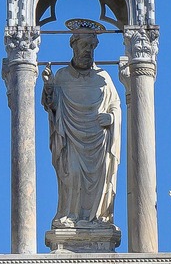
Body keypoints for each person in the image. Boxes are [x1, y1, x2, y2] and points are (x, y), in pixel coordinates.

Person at [43, 21, 122, 226]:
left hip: (98, 141)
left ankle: (97, 218)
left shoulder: (104, 78)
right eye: (84, 45)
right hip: (71, 138)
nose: (88, 51)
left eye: (92, 47)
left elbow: (115, 104)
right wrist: (49, 88)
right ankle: (70, 215)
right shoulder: (62, 77)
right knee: (73, 174)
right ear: (74, 45)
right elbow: (52, 107)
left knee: (100, 180)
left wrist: (112, 117)